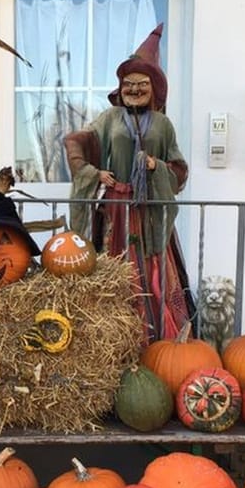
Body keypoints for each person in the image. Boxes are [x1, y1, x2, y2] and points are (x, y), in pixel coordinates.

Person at [64, 23, 195, 342]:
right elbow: (75, 141)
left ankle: (159, 340)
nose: (134, 90)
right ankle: (111, 338)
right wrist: (94, 172)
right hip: (115, 211)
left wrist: (156, 166)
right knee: (112, 268)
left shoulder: (163, 125)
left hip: (149, 213)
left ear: (154, 89)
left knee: (154, 273)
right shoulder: (108, 120)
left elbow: (179, 169)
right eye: (129, 84)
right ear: (120, 88)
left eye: (142, 84)